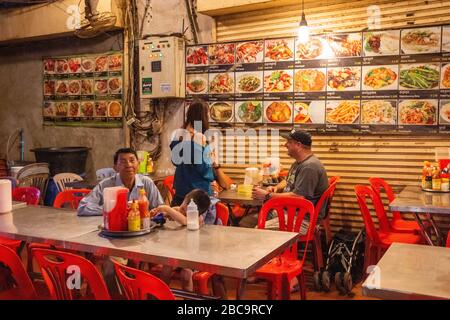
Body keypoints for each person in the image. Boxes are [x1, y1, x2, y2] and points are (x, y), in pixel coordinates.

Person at [240, 130, 329, 234]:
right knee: (245, 223)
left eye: (288, 142)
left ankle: (278, 250)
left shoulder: (309, 167)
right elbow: (288, 181)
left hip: (302, 220)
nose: (285, 145)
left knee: (257, 232)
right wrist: (276, 188)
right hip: (287, 212)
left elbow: (298, 197)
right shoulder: (299, 163)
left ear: (298, 145)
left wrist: (268, 195)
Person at [150, 189, 227, 298]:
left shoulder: (197, 218)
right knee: (166, 268)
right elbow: (171, 213)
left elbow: (185, 221)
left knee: (186, 275)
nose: (182, 212)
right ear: (184, 199)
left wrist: (166, 208)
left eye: (187, 211)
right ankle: (161, 295)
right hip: (179, 253)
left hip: (196, 256)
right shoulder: (178, 210)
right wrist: (160, 212)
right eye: (182, 207)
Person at [77, 147, 163, 216]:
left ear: (138, 164)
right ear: (115, 167)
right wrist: (112, 209)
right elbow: (83, 207)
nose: (128, 165)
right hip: (114, 228)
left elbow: (161, 208)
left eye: (132, 160)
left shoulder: (146, 183)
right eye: (123, 161)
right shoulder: (106, 185)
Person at [170, 99, 216, 206]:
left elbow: (175, 161)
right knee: (195, 221)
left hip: (181, 190)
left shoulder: (179, 133)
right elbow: (202, 168)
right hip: (197, 193)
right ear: (203, 116)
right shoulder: (199, 137)